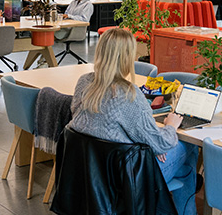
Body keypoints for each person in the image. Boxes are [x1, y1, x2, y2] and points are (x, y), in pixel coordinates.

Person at [67, 28, 198, 214]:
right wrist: (169, 126)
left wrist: (148, 145)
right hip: (127, 180)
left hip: (93, 174)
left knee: (181, 168)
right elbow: (161, 143)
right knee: (188, 147)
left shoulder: (84, 82)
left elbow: (89, 124)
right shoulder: (129, 94)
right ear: (126, 57)